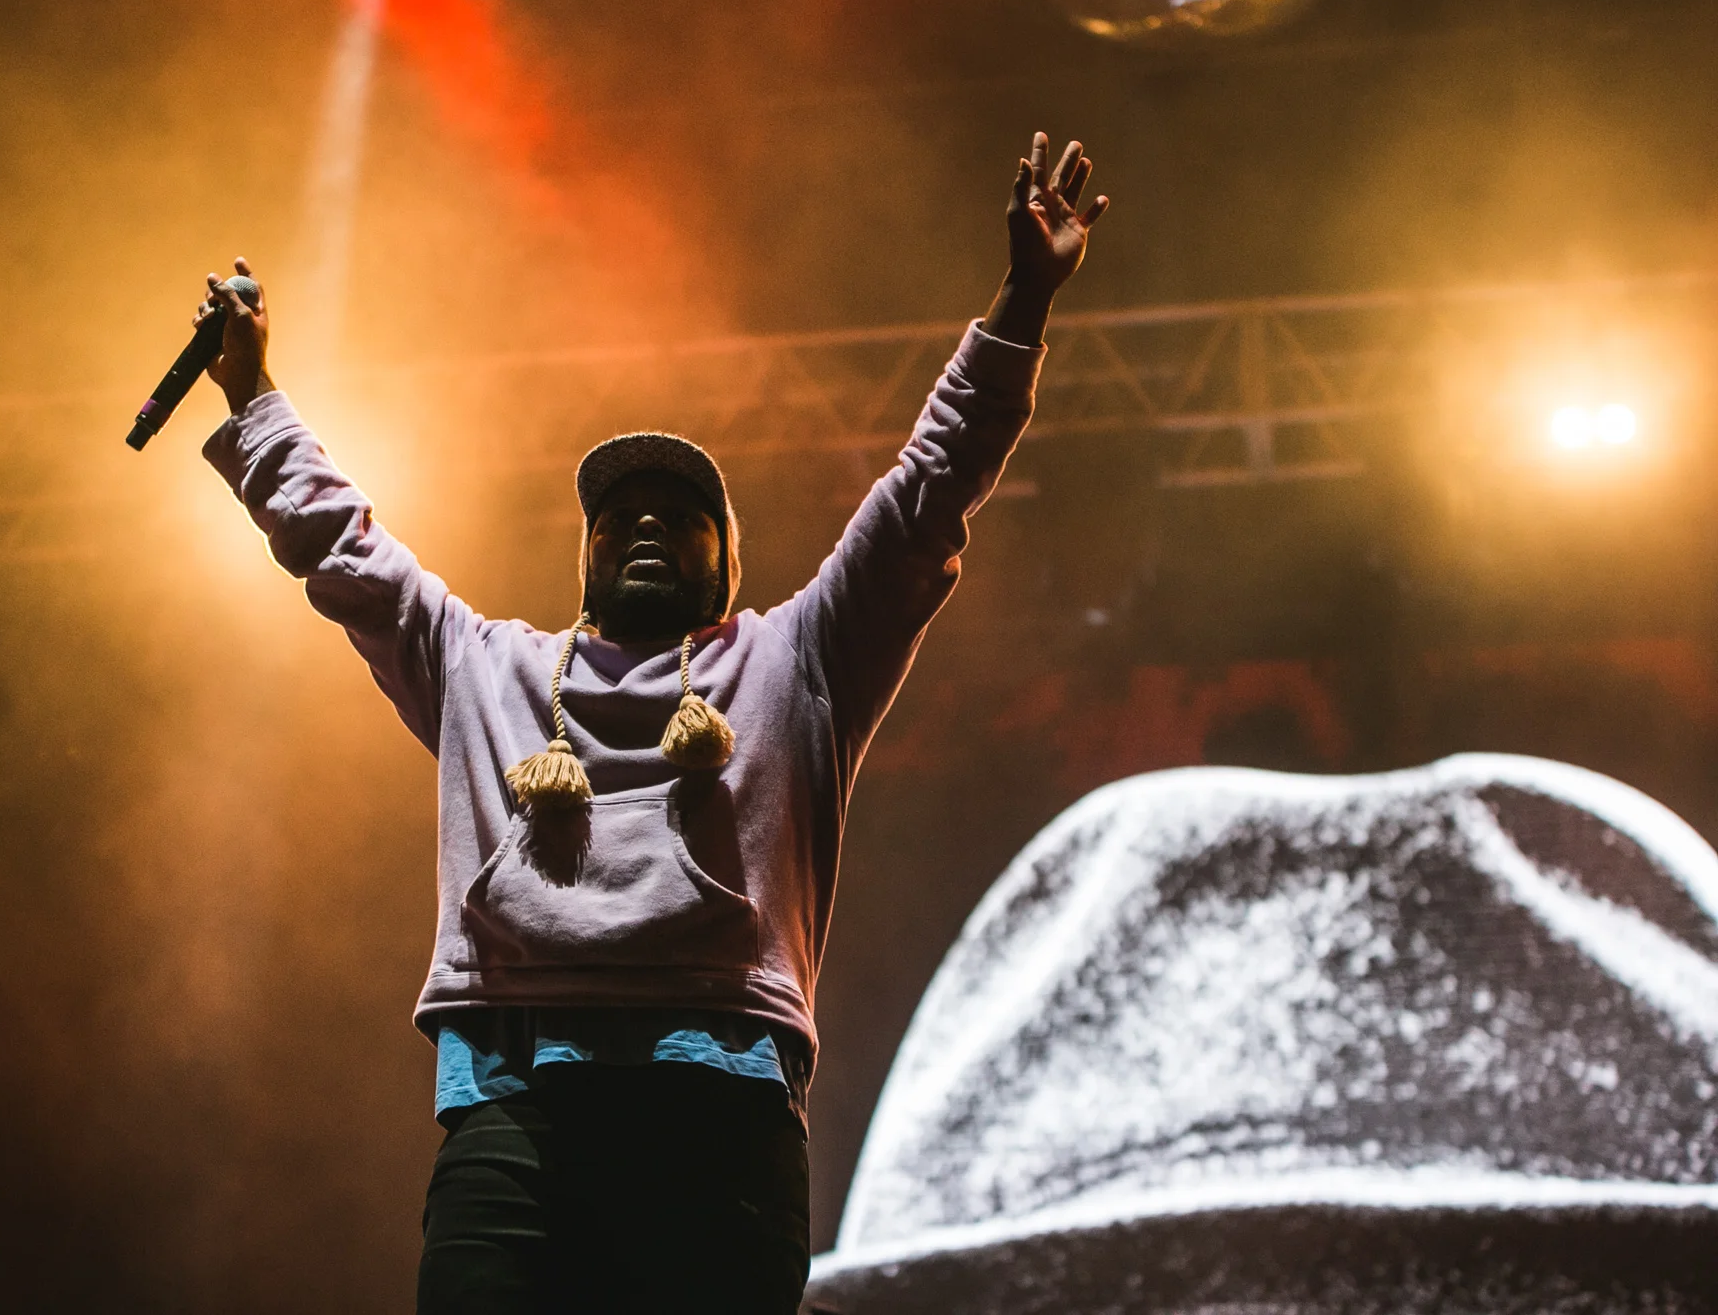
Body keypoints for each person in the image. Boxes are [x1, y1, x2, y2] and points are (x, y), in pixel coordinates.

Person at [194, 131, 1108, 1315]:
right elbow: (342, 549)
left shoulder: (793, 660)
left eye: (678, 516)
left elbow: (925, 497)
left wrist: (1022, 301)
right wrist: (252, 395)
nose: (641, 524)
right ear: (582, 555)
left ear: (724, 565)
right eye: (616, 513)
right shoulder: (484, 666)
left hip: (716, 1107)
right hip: (513, 1109)